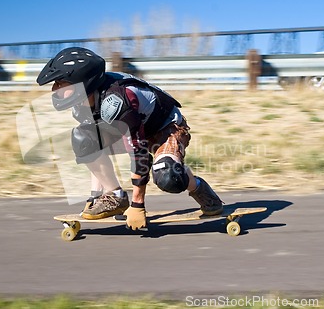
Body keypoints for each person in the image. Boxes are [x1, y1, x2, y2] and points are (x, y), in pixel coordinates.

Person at [36, 47, 223, 230]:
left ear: (82, 83)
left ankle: (198, 187)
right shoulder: (81, 105)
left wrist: (137, 205)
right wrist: (95, 196)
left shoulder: (118, 101)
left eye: (60, 83)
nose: (54, 89)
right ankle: (115, 196)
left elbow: (139, 153)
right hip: (131, 127)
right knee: (82, 138)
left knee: (169, 177)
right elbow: (95, 150)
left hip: (165, 127)